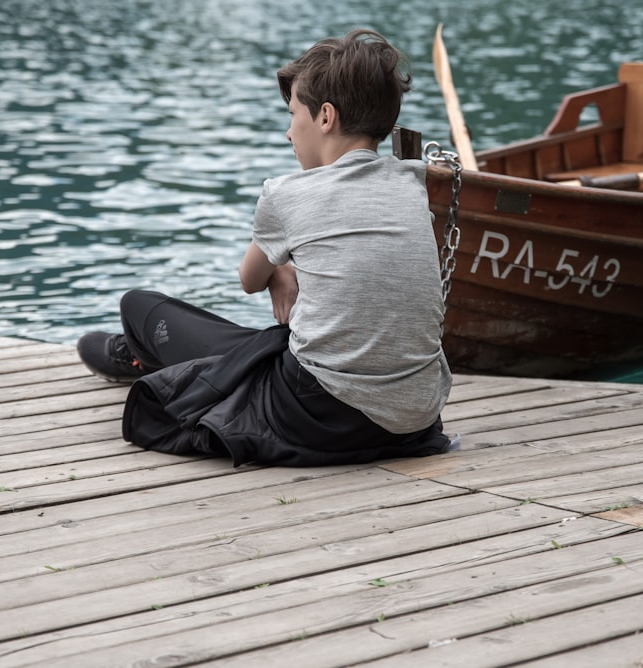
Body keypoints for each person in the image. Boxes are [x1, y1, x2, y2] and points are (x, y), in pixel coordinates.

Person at [77, 28, 454, 467]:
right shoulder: (411, 183)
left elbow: (249, 279)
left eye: (294, 114)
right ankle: (151, 354)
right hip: (415, 417)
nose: (288, 133)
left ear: (326, 117)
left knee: (139, 306)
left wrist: (279, 268)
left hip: (319, 415)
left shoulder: (285, 194)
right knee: (270, 344)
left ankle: (141, 351)